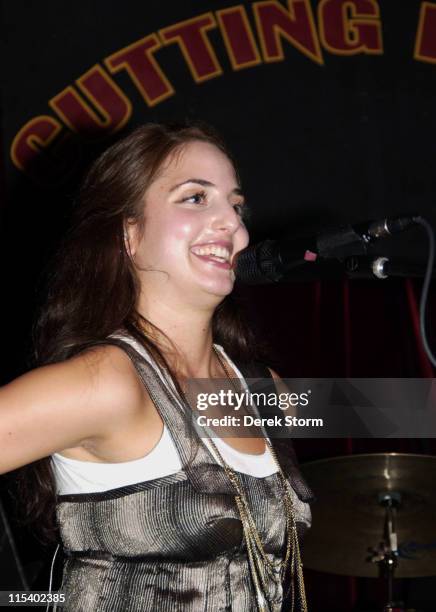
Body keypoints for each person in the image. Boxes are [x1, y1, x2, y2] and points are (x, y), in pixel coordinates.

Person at [1, 122, 314, 611]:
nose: (231, 224)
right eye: (195, 198)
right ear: (130, 234)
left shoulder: (264, 389)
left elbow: (388, 412)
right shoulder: (108, 383)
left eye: (235, 205)